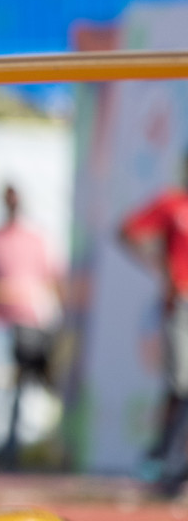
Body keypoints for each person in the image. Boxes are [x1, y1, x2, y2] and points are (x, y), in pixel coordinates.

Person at [0, 184, 63, 464]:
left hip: (28, 324)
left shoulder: (36, 239)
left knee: (19, 389)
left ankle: (11, 449)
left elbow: (53, 279)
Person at [120, 156, 188, 492]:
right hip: (181, 306)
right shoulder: (172, 203)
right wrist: (163, 270)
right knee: (181, 387)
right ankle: (161, 459)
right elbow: (127, 231)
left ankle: (169, 464)